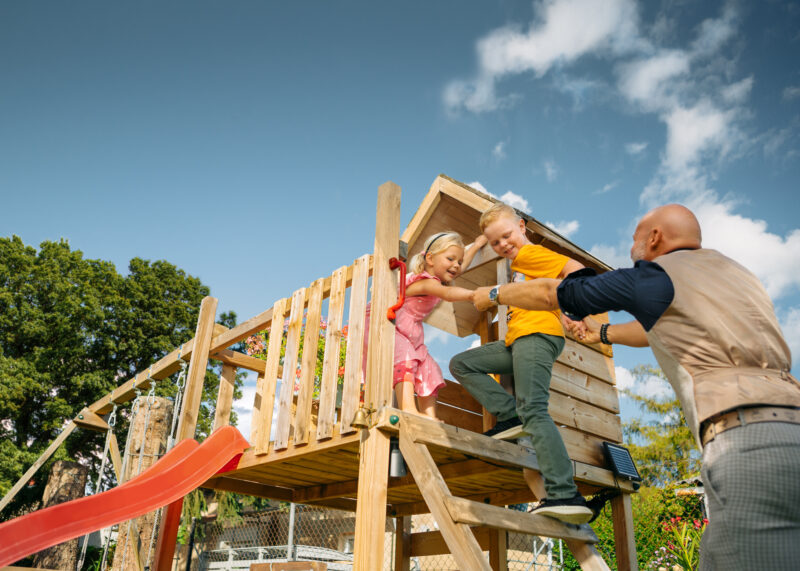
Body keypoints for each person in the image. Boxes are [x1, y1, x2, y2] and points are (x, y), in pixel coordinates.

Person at [472, 203, 800, 569]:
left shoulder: (661, 274)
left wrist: (495, 294)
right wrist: (602, 333)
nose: (631, 247)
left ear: (656, 238)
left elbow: (567, 292)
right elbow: (656, 329)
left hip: (748, 441)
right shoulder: (736, 276)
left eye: (635, 238)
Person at [449, 203, 593, 524]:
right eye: (496, 241)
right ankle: (508, 414)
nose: (503, 245)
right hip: (517, 341)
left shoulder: (531, 254)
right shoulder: (516, 263)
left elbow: (575, 270)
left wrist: (573, 307)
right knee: (463, 363)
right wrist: (478, 243)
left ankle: (563, 492)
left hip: (538, 334)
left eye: (507, 235)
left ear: (522, 227)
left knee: (535, 411)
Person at [384, 231, 479, 420]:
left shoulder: (441, 277)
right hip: (392, 326)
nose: (456, 265)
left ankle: (429, 416)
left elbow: (462, 265)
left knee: (430, 368)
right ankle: (408, 408)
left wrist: (478, 243)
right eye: (450, 258)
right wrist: (474, 295)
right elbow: (447, 293)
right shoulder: (426, 282)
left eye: (458, 261)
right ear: (430, 258)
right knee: (406, 358)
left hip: (411, 332)